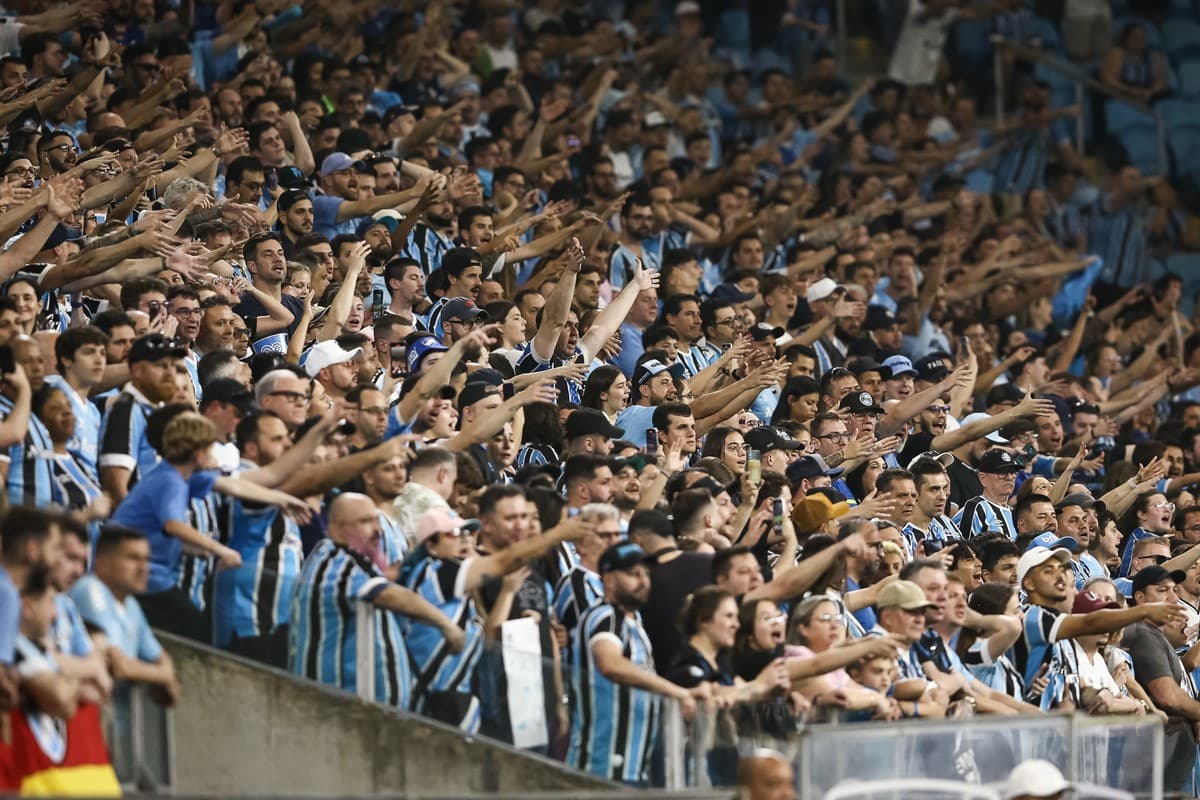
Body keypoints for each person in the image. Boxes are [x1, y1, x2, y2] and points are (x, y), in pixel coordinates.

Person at [567, 541, 703, 785]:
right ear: (609, 579)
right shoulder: (606, 617)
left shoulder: (633, 620)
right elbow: (610, 663)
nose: (644, 581)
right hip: (603, 766)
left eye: (646, 574)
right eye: (633, 574)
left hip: (632, 765)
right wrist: (674, 691)